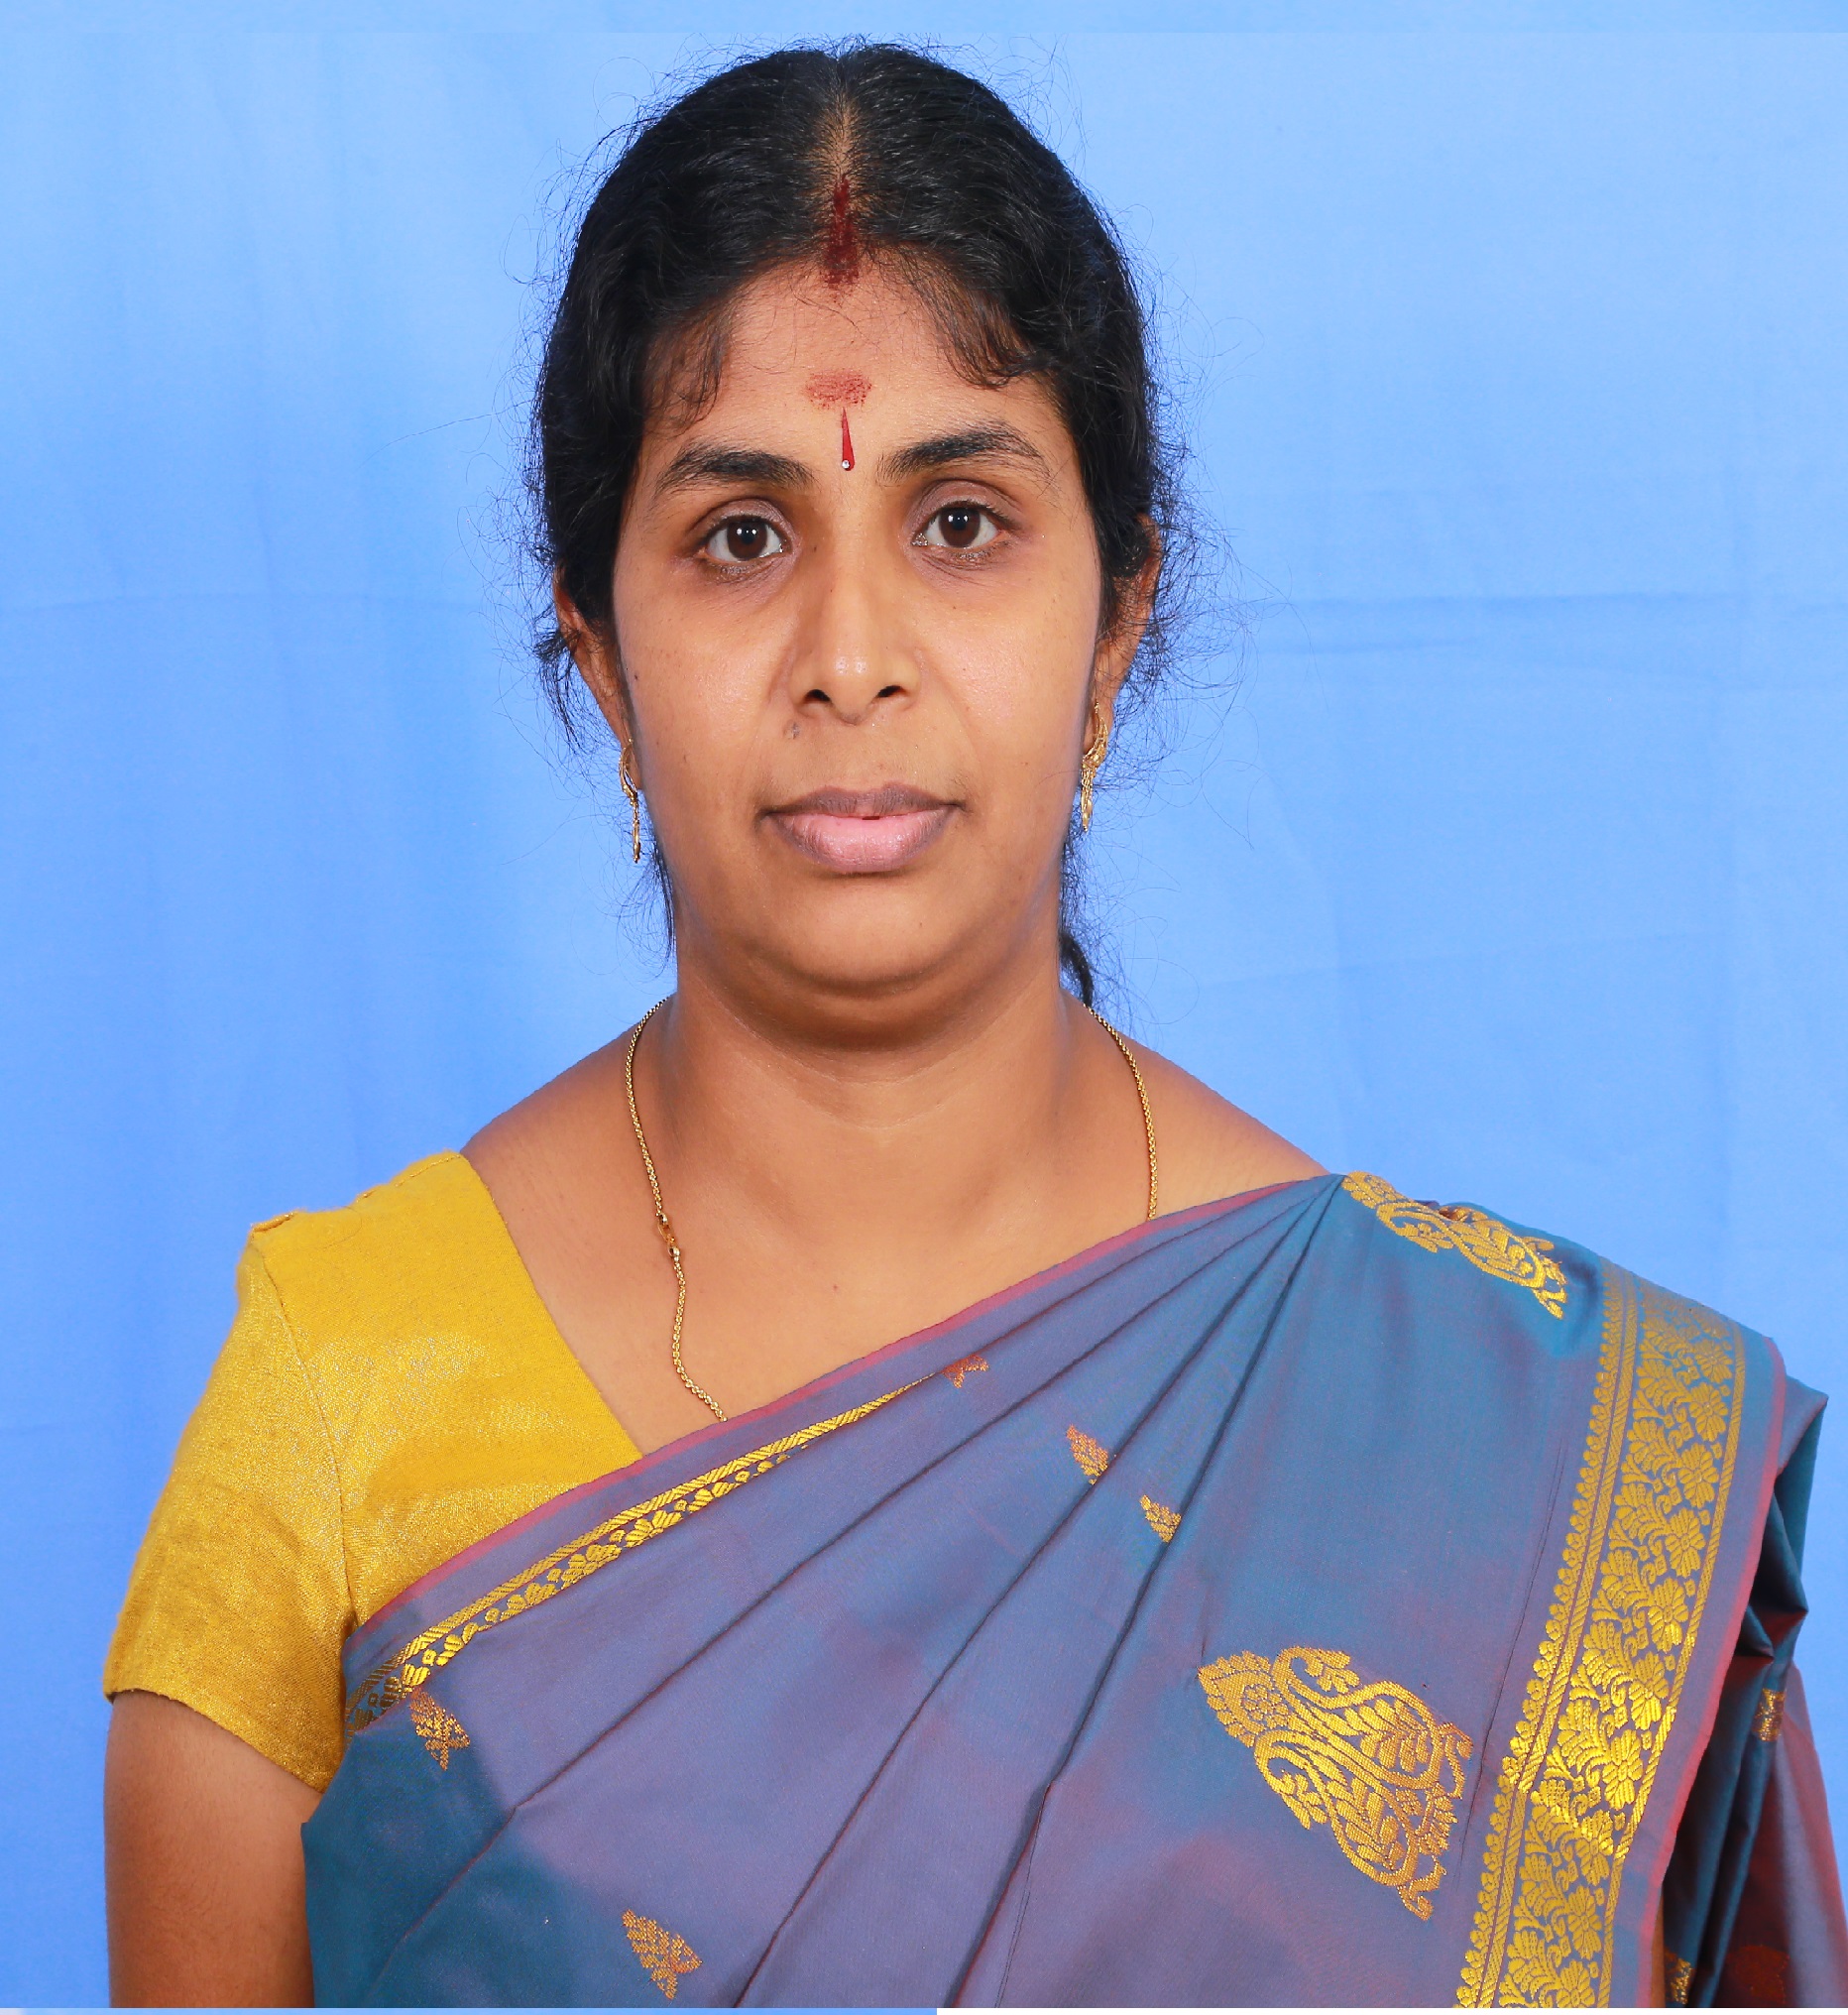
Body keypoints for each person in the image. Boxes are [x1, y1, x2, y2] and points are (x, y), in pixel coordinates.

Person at [102, 43, 1846, 2010]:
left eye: (959, 524)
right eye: (740, 537)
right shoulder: (343, 1397)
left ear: (1115, 627)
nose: (851, 658)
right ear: (599, 659)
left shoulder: (1486, 1451)